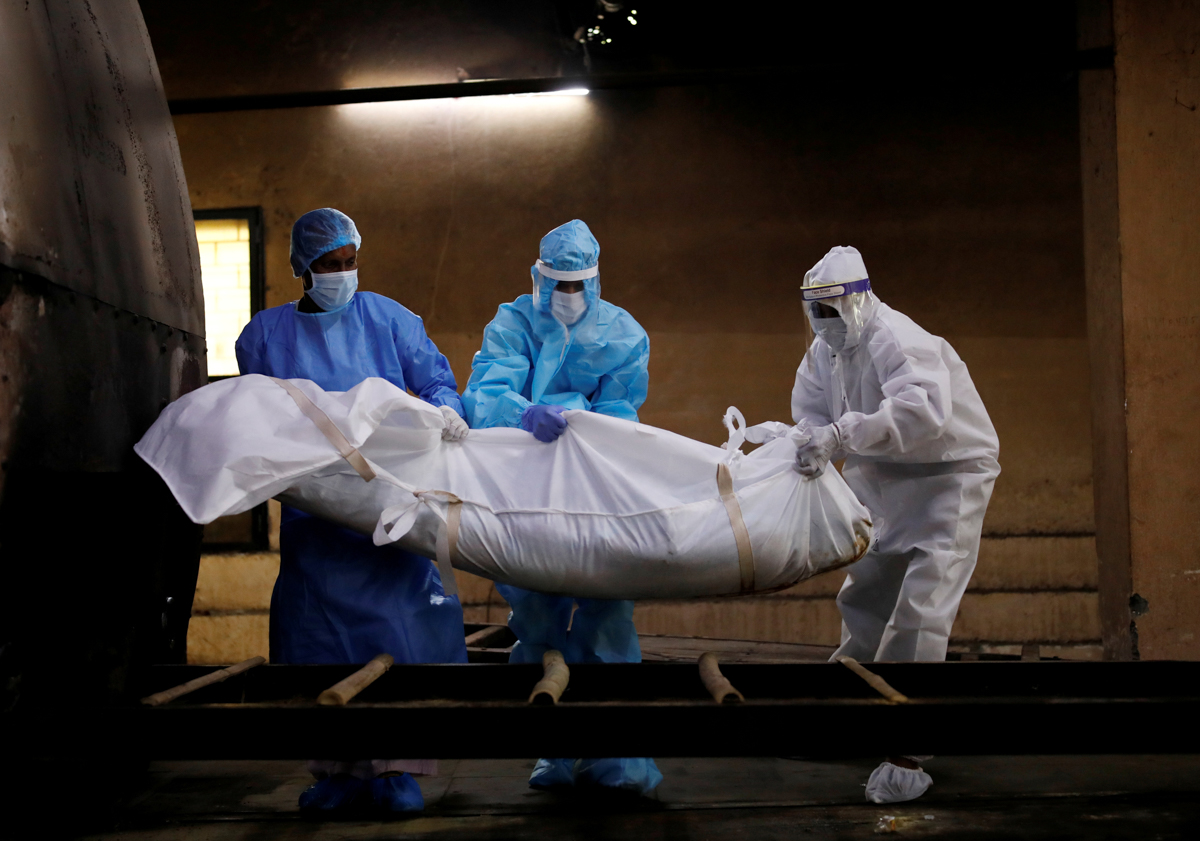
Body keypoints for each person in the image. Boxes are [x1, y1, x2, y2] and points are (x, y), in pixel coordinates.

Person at [235, 208, 471, 814]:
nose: (342, 274)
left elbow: (438, 380)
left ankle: (395, 771)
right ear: (300, 267)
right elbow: (257, 413)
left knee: (394, 634)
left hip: (387, 512)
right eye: (328, 265)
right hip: (317, 517)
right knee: (321, 645)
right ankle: (337, 771)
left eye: (350, 262)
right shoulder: (264, 336)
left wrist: (446, 410)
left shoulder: (389, 320)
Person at [790, 245, 1000, 803]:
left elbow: (922, 413)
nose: (824, 322)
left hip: (946, 478)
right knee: (867, 592)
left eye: (833, 309)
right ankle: (851, 715)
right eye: (816, 310)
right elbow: (810, 408)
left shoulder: (897, 337)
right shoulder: (823, 351)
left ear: (858, 300)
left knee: (921, 607)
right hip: (881, 475)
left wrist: (841, 435)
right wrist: (810, 441)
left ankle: (906, 746)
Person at [462, 219, 662, 796]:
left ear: (594, 283)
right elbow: (488, 391)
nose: (567, 297)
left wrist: (589, 427)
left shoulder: (624, 333)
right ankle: (554, 752)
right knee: (536, 619)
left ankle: (618, 759)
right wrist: (523, 412)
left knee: (607, 619)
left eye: (578, 285)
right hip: (525, 485)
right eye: (558, 285)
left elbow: (623, 411)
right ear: (538, 279)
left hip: (594, 487)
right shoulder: (513, 322)